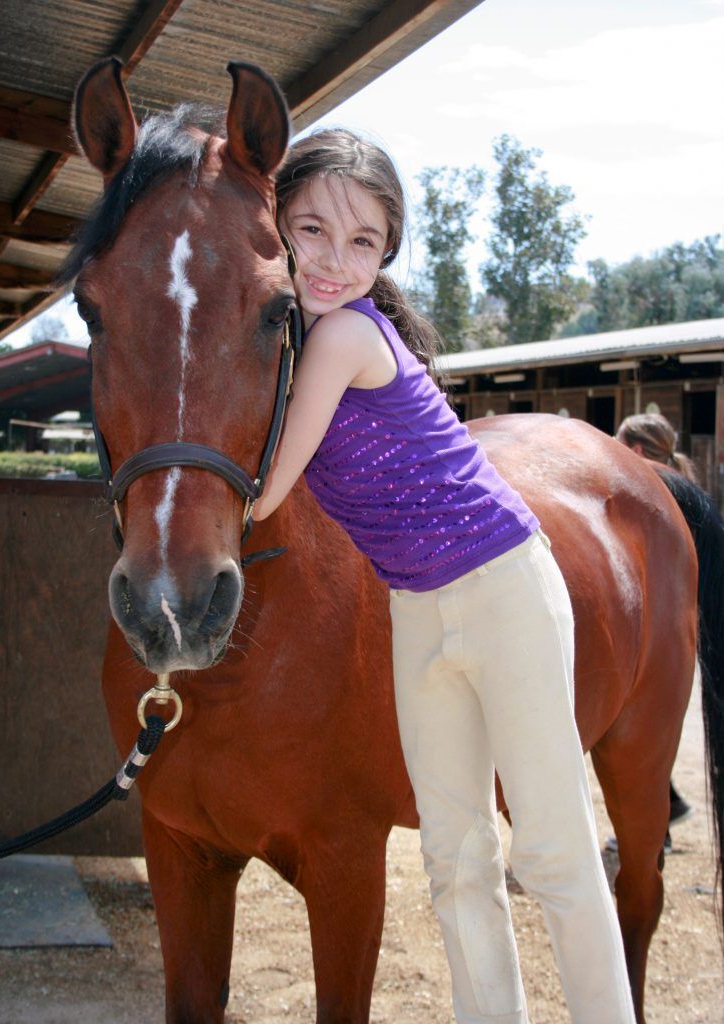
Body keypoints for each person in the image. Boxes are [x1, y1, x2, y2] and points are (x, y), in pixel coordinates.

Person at [254, 128, 635, 1024]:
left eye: (362, 242)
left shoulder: (342, 334)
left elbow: (266, 494)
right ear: (277, 228)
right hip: (416, 606)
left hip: (503, 586)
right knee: (452, 859)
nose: (332, 261)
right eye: (310, 231)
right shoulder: (295, 336)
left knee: (551, 851)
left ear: (386, 253)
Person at [615, 412, 696, 841]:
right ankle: (667, 808)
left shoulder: (648, 501)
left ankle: (658, 821)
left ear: (638, 453)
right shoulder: (682, 495)